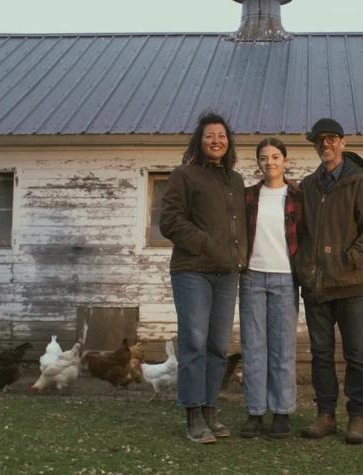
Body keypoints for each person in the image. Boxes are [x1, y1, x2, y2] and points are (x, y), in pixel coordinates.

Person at [295, 118, 363, 445]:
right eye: (320, 140)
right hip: (316, 287)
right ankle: (326, 415)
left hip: (351, 285)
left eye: (332, 138)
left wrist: (351, 259)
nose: (326, 144)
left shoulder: (360, 184)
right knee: (321, 354)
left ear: (343, 143)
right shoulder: (308, 187)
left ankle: (357, 416)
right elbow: (299, 234)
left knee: (355, 353)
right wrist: (304, 268)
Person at [160, 112, 247, 444]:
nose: (216, 141)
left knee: (217, 346)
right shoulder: (183, 175)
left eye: (222, 136)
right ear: (199, 140)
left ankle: (210, 409)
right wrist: (206, 244)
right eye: (210, 135)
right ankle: (193, 414)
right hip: (192, 271)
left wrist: (238, 256)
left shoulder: (235, 181)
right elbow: (170, 221)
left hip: (226, 274)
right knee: (194, 342)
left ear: (228, 142)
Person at [238, 138, 304, 439]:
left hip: (285, 278)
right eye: (264, 158)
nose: (270, 162)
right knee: (253, 348)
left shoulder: (298, 196)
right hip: (252, 277)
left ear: (285, 161)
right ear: (258, 163)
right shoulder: (248, 196)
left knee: (282, 349)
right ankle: (255, 412)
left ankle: (281, 411)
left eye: (276, 157)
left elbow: (306, 236)